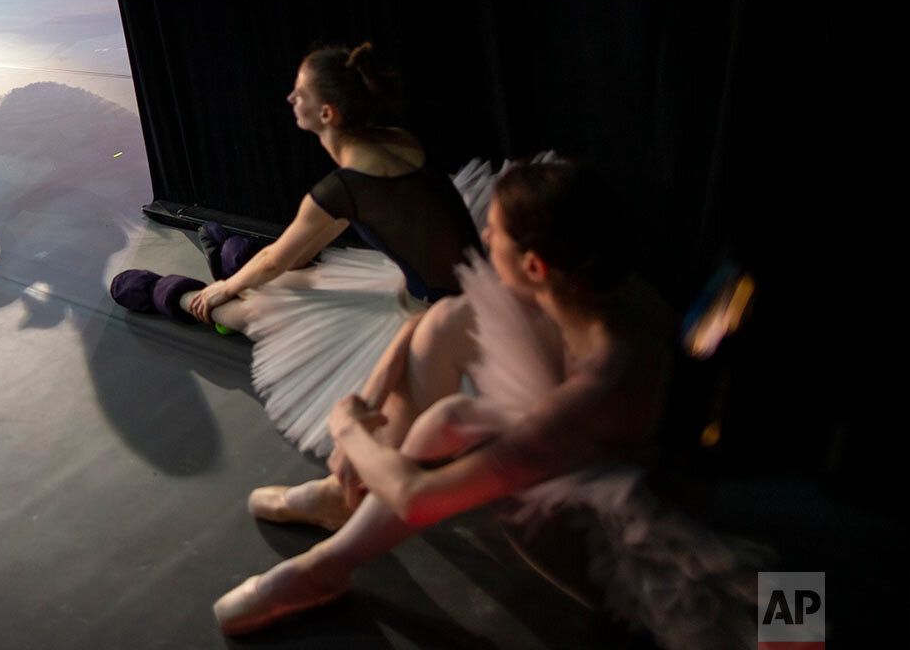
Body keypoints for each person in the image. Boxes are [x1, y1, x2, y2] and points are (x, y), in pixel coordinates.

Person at [211, 161, 754, 648]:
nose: (484, 233)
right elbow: (439, 316)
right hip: (635, 465)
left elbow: (416, 496)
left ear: (536, 265)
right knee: (453, 414)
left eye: (494, 230)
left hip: (662, 551)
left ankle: (323, 567)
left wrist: (349, 428)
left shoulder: (604, 378)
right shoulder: (583, 286)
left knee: (803, 623)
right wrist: (371, 395)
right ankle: (327, 562)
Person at [110, 43, 483, 456]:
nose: (290, 98)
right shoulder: (397, 140)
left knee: (261, 310)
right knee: (297, 279)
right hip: (461, 287)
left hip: (432, 317)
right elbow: (314, 241)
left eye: (300, 93)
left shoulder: (343, 188)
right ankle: (236, 264)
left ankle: (182, 297)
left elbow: (280, 258)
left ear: (327, 114)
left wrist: (225, 288)